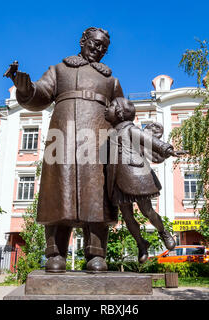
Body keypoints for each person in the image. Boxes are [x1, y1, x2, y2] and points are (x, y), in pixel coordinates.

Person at [8, 27, 123, 272]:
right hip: (64, 137)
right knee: (58, 192)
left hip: (98, 140)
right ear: (83, 41)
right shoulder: (59, 70)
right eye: (95, 42)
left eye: (104, 46)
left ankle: (96, 255)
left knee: (98, 195)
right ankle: (55, 254)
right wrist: (25, 87)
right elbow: (41, 94)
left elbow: (123, 112)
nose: (99, 48)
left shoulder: (111, 80)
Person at [105, 97, 177, 263]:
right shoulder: (110, 134)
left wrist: (167, 149)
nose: (106, 110)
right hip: (117, 179)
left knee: (147, 211)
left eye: (110, 107)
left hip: (135, 175)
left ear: (119, 113)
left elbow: (149, 140)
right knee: (128, 217)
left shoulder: (130, 129)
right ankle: (141, 244)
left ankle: (163, 232)